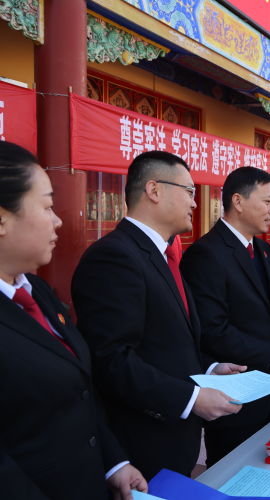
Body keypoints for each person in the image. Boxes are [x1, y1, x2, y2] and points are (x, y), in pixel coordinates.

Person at [72, 151, 245, 479]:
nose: (195, 202)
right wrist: (191, 398)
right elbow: (112, 359)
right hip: (141, 444)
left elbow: (167, 341)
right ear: (154, 190)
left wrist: (210, 368)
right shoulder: (114, 257)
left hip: (175, 437)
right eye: (189, 191)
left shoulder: (160, 254)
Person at [0, 141, 148, 499]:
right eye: (47, 206)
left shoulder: (37, 291)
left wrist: (114, 463)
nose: (58, 220)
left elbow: (79, 392)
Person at [180, 167, 270, 467]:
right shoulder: (206, 254)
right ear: (238, 201)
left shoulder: (264, 250)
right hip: (236, 399)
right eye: (268, 201)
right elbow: (212, 329)